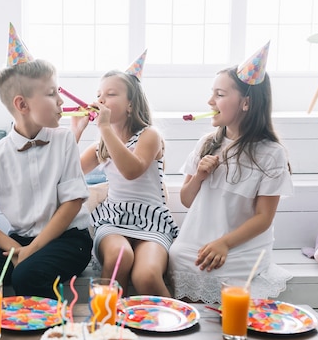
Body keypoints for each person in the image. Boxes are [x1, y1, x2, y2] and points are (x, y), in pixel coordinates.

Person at [0, 23, 92, 302]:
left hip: (69, 240)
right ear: (22, 104)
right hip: (22, 241)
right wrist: (16, 249)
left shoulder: (63, 140)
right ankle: (5, 323)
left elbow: (73, 202)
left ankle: (51, 330)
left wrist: (33, 249)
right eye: (52, 93)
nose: (61, 101)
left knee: (26, 274)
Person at [168, 42, 293, 303]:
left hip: (241, 244)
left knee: (220, 270)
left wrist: (224, 243)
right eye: (212, 93)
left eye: (220, 94)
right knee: (178, 257)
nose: (210, 101)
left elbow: (263, 218)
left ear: (246, 102)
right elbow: (187, 200)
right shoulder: (206, 143)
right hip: (199, 238)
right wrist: (200, 176)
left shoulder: (271, 153)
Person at [70, 51, 180, 297]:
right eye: (99, 95)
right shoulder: (101, 144)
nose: (101, 99)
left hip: (152, 221)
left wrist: (105, 128)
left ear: (131, 104)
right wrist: (75, 133)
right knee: (121, 257)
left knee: (147, 276)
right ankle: (108, 323)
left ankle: (173, 328)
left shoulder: (149, 135)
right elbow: (65, 175)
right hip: (113, 219)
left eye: (110, 94)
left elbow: (131, 170)